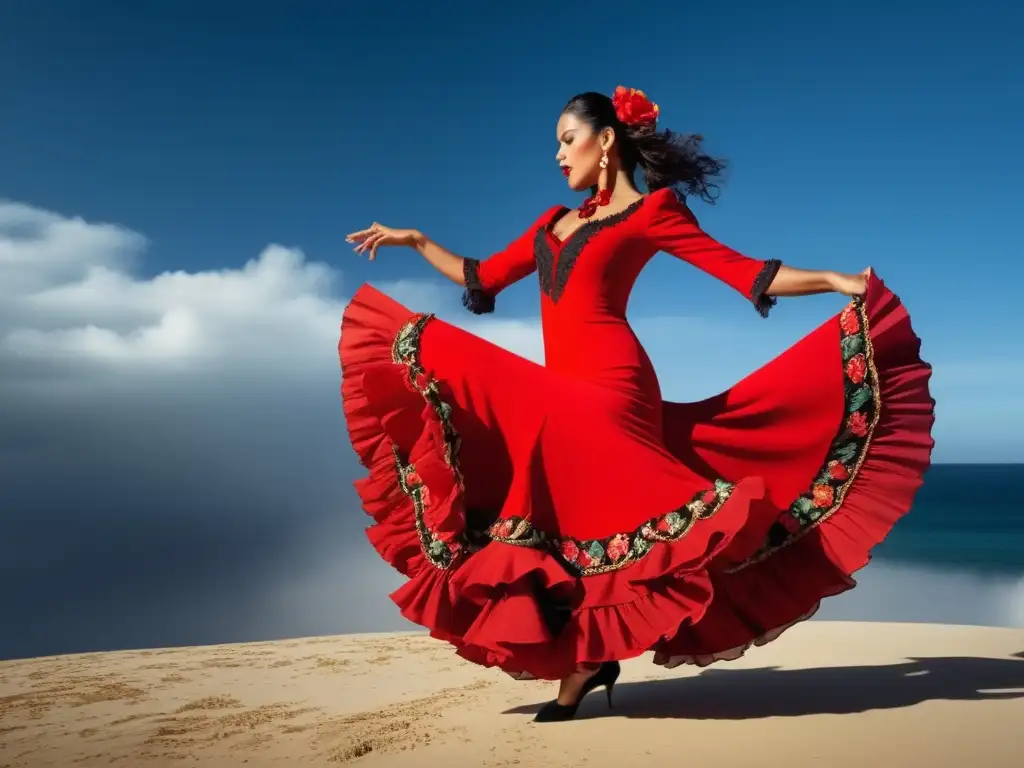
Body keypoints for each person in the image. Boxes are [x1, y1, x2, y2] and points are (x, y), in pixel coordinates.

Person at [340, 86, 934, 722]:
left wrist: (836, 281)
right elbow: (479, 277)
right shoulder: (549, 226)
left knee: (445, 352)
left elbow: (743, 272)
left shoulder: (652, 213)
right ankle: (586, 665)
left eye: (567, 139)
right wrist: (417, 240)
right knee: (571, 523)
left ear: (606, 142)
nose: (558, 155)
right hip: (564, 387)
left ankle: (584, 667)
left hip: (616, 388)